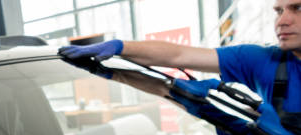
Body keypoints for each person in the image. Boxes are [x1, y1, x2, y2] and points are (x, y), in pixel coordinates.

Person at [59, 0, 301, 115]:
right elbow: (179, 55)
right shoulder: (263, 60)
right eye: (279, 11)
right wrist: (120, 46)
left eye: (297, 8)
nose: (282, 21)